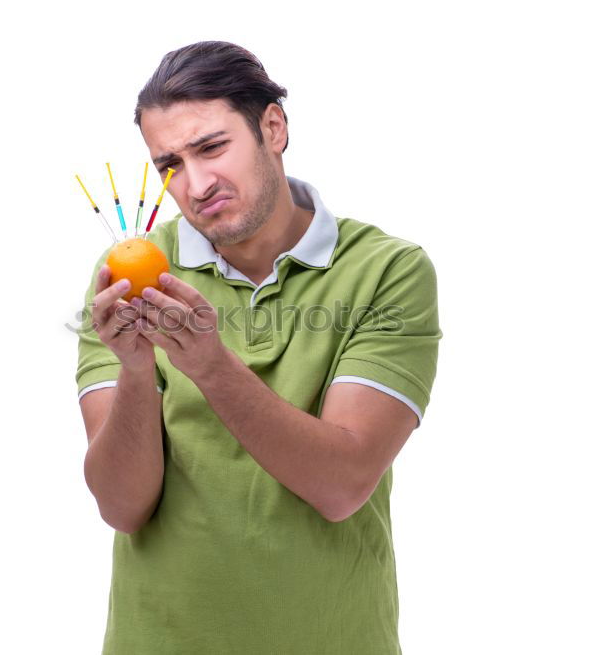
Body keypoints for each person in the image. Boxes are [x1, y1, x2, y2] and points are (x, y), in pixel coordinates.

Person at [75, 40, 442, 655]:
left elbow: (342, 484)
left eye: (212, 147)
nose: (195, 184)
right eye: (169, 165)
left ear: (273, 126)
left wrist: (209, 365)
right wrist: (138, 370)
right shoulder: (130, 276)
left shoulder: (387, 271)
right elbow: (122, 507)